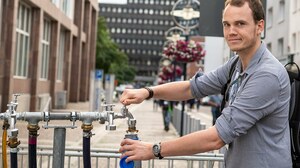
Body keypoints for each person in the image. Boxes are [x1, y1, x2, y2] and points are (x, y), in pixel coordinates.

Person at [119, 0, 292, 167]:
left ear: (259, 26)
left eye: (240, 24)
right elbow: (192, 87)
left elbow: (216, 138)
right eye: (226, 24)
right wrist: (147, 92)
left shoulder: (268, 75)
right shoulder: (236, 64)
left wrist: (154, 149)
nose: (231, 31)